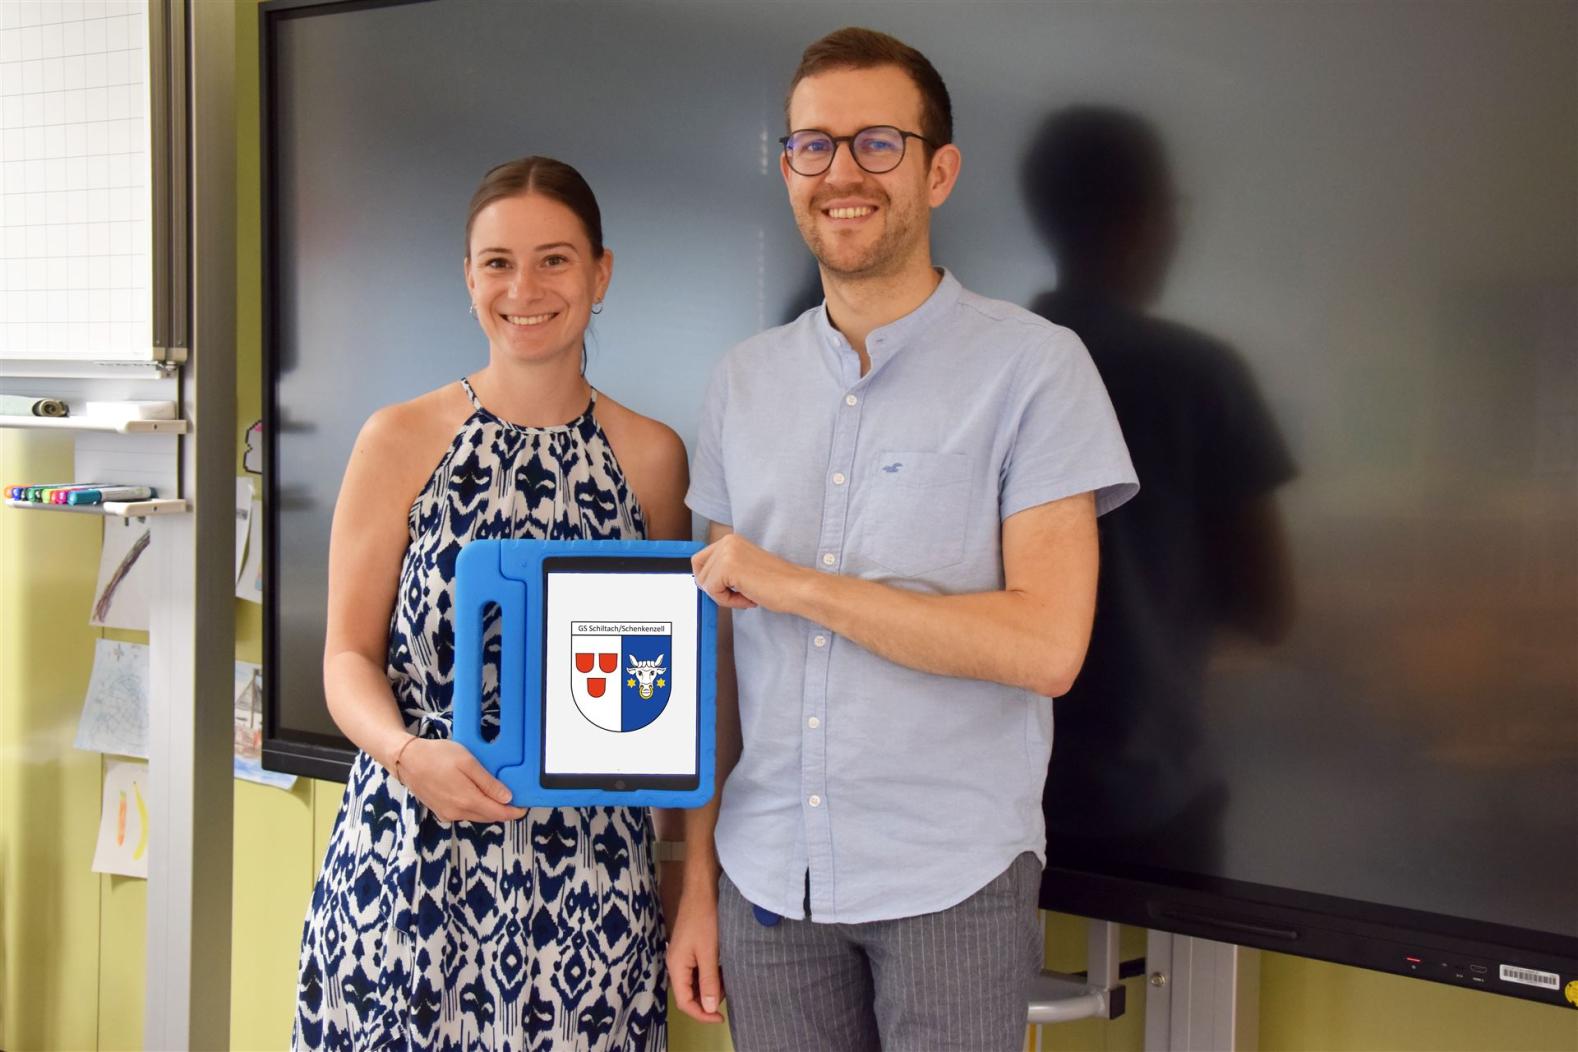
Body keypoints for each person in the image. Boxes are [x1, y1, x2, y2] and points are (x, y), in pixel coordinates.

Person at [667, 27, 1139, 1052]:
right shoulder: (742, 381)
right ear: (788, 171)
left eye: (878, 143)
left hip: (951, 879)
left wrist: (797, 585)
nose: (842, 172)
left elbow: (1047, 646)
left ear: (940, 171)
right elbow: (716, 664)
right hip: (766, 880)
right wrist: (696, 880)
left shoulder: (1036, 369)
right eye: (813, 145)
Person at [293, 156, 688, 1051]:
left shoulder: (652, 457)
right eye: (498, 263)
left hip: (591, 884)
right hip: (408, 858)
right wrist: (407, 755)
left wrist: (682, 870)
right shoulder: (398, 438)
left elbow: (677, 689)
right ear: (469, 278)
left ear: (601, 274)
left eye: (555, 260)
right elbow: (347, 657)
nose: (524, 289)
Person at [1020, 106, 1295, 877]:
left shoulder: (982, 367)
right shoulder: (1199, 376)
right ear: (1143, 217)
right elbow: (1271, 608)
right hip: (1147, 806)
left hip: (1001, 809)